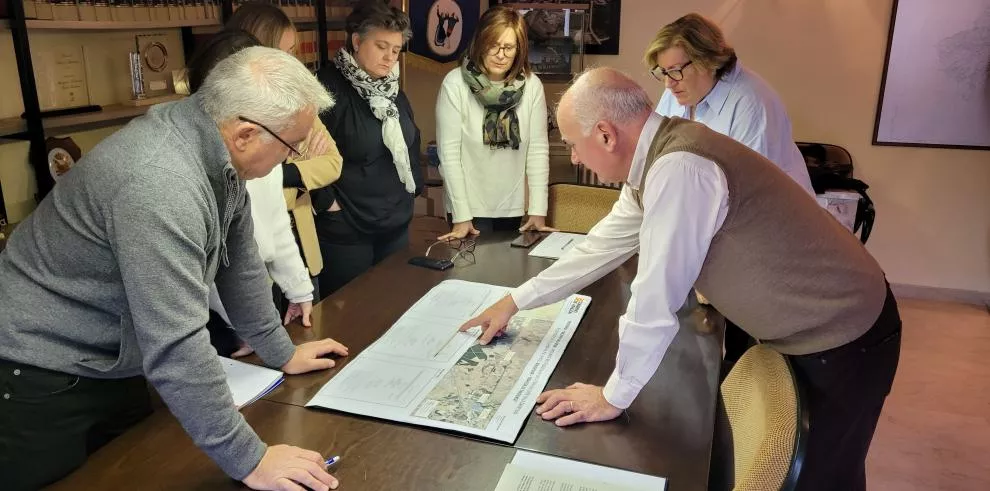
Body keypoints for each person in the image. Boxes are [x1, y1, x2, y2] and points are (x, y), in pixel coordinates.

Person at [462, 68, 901, 491]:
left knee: (822, 477)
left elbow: (655, 296)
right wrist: (514, 302)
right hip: (817, 325)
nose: (574, 157)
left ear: (605, 135)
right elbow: (598, 248)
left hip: (844, 332)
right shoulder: (656, 160)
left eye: (573, 145)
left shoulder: (681, 168)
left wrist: (613, 396)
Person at [0, 47, 347, 491]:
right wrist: (252, 461)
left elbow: (238, 268)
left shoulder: (218, 154)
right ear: (244, 134)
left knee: (136, 469)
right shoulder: (160, 181)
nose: (290, 158)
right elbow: (175, 340)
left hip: (114, 359)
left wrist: (281, 352)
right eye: (290, 147)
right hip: (39, 368)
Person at [226, 1, 346, 304]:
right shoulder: (232, 114)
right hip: (256, 268)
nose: (295, 62)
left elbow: (333, 162)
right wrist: (303, 172)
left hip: (302, 248)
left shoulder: (297, 98)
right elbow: (250, 190)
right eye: (288, 52)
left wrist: (285, 174)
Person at [312, 0, 423, 295]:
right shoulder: (326, 88)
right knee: (351, 312)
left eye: (396, 50)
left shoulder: (391, 88)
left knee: (392, 304)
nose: (389, 58)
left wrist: (413, 189)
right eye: (381, 46)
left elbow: (412, 138)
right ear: (357, 41)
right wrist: (328, 205)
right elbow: (304, 153)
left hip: (394, 221)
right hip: (348, 227)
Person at [646, 13, 814, 195]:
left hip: (766, 215)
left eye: (675, 70)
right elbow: (657, 157)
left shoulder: (752, 104)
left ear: (706, 61)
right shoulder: (676, 90)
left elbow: (747, 193)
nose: (668, 83)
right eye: (663, 72)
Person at [435, 6, 556, 240]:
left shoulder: (532, 86)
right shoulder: (455, 84)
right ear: (481, 42)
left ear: (519, 49)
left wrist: (538, 210)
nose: (501, 55)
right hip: (468, 207)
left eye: (509, 48)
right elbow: (449, 154)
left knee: (510, 273)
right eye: (494, 45)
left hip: (513, 206)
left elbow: (538, 150)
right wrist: (461, 215)